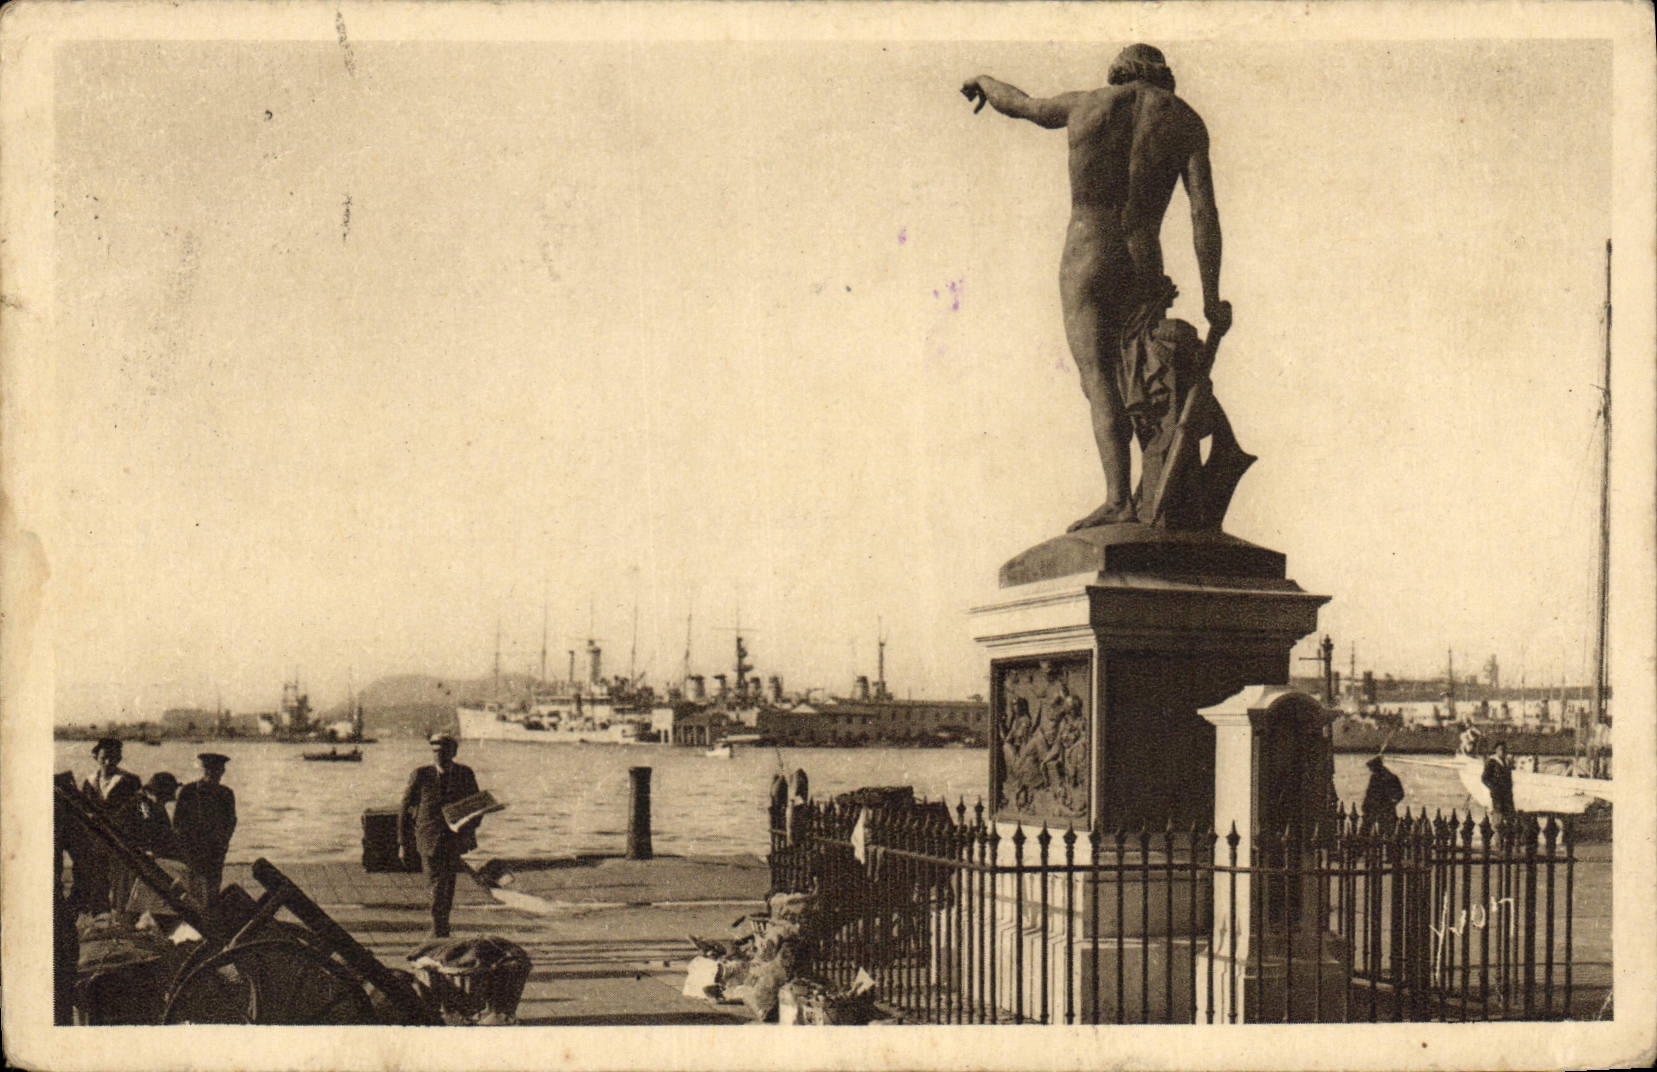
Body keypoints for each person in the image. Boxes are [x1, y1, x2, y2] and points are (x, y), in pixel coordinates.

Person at [962, 45, 1245, 531]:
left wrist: (985, 82)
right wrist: (1211, 296)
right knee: (1140, 373)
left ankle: (1120, 500)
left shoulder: (1088, 105)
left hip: (1088, 255)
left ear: (1118, 73)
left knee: (1100, 379)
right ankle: (1157, 490)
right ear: (1164, 76)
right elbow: (1204, 215)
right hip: (1141, 260)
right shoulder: (1185, 121)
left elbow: (1024, 105)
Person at [399, 733, 482, 938]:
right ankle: (439, 930)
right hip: (429, 839)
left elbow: (477, 806)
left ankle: (442, 925)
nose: (439, 756)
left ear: (453, 753)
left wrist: (470, 830)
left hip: (454, 840)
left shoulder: (465, 774)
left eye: (443, 751)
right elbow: (404, 809)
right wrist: (402, 842)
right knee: (437, 884)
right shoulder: (421, 775)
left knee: (448, 884)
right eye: (435, 751)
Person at [79, 737, 142, 913]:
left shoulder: (130, 781)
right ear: (96, 758)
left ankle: (121, 918)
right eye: (104, 757)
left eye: (113, 758)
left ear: (119, 759)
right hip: (96, 841)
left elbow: (142, 811)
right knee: (98, 879)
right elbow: (83, 811)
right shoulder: (89, 782)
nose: (108, 762)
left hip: (121, 841)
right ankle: (100, 916)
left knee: (121, 882)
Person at [175, 753, 237, 909]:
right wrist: (185, 845)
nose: (216, 774)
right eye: (211, 770)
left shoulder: (226, 794)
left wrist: (223, 842)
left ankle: (210, 920)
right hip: (192, 849)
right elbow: (178, 822)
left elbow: (231, 821)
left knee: (212, 888)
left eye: (219, 770)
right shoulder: (188, 791)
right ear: (204, 770)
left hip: (215, 849)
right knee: (191, 887)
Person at [127, 771, 182, 861]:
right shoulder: (141, 804)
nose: (171, 797)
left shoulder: (154, 804)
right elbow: (148, 830)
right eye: (169, 794)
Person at [1360, 756, 1405, 831]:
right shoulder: (1375, 777)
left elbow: (1400, 794)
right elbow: (1369, 793)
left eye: (1372, 768)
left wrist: (1391, 804)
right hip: (1375, 809)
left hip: (1382, 810)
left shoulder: (1389, 778)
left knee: (1384, 832)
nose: (1370, 770)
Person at [1482, 742, 1516, 831]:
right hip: (1497, 795)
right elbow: (1484, 778)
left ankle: (1508, 839)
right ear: (1496, 750)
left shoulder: (1506, 762)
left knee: (1510, 819)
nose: (1503, 752)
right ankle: (1498, 841)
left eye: (1504, 750)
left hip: (1507, 795)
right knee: (1498, 818)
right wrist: (1493, 788)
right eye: (1501, 749)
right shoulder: (1492, 762)